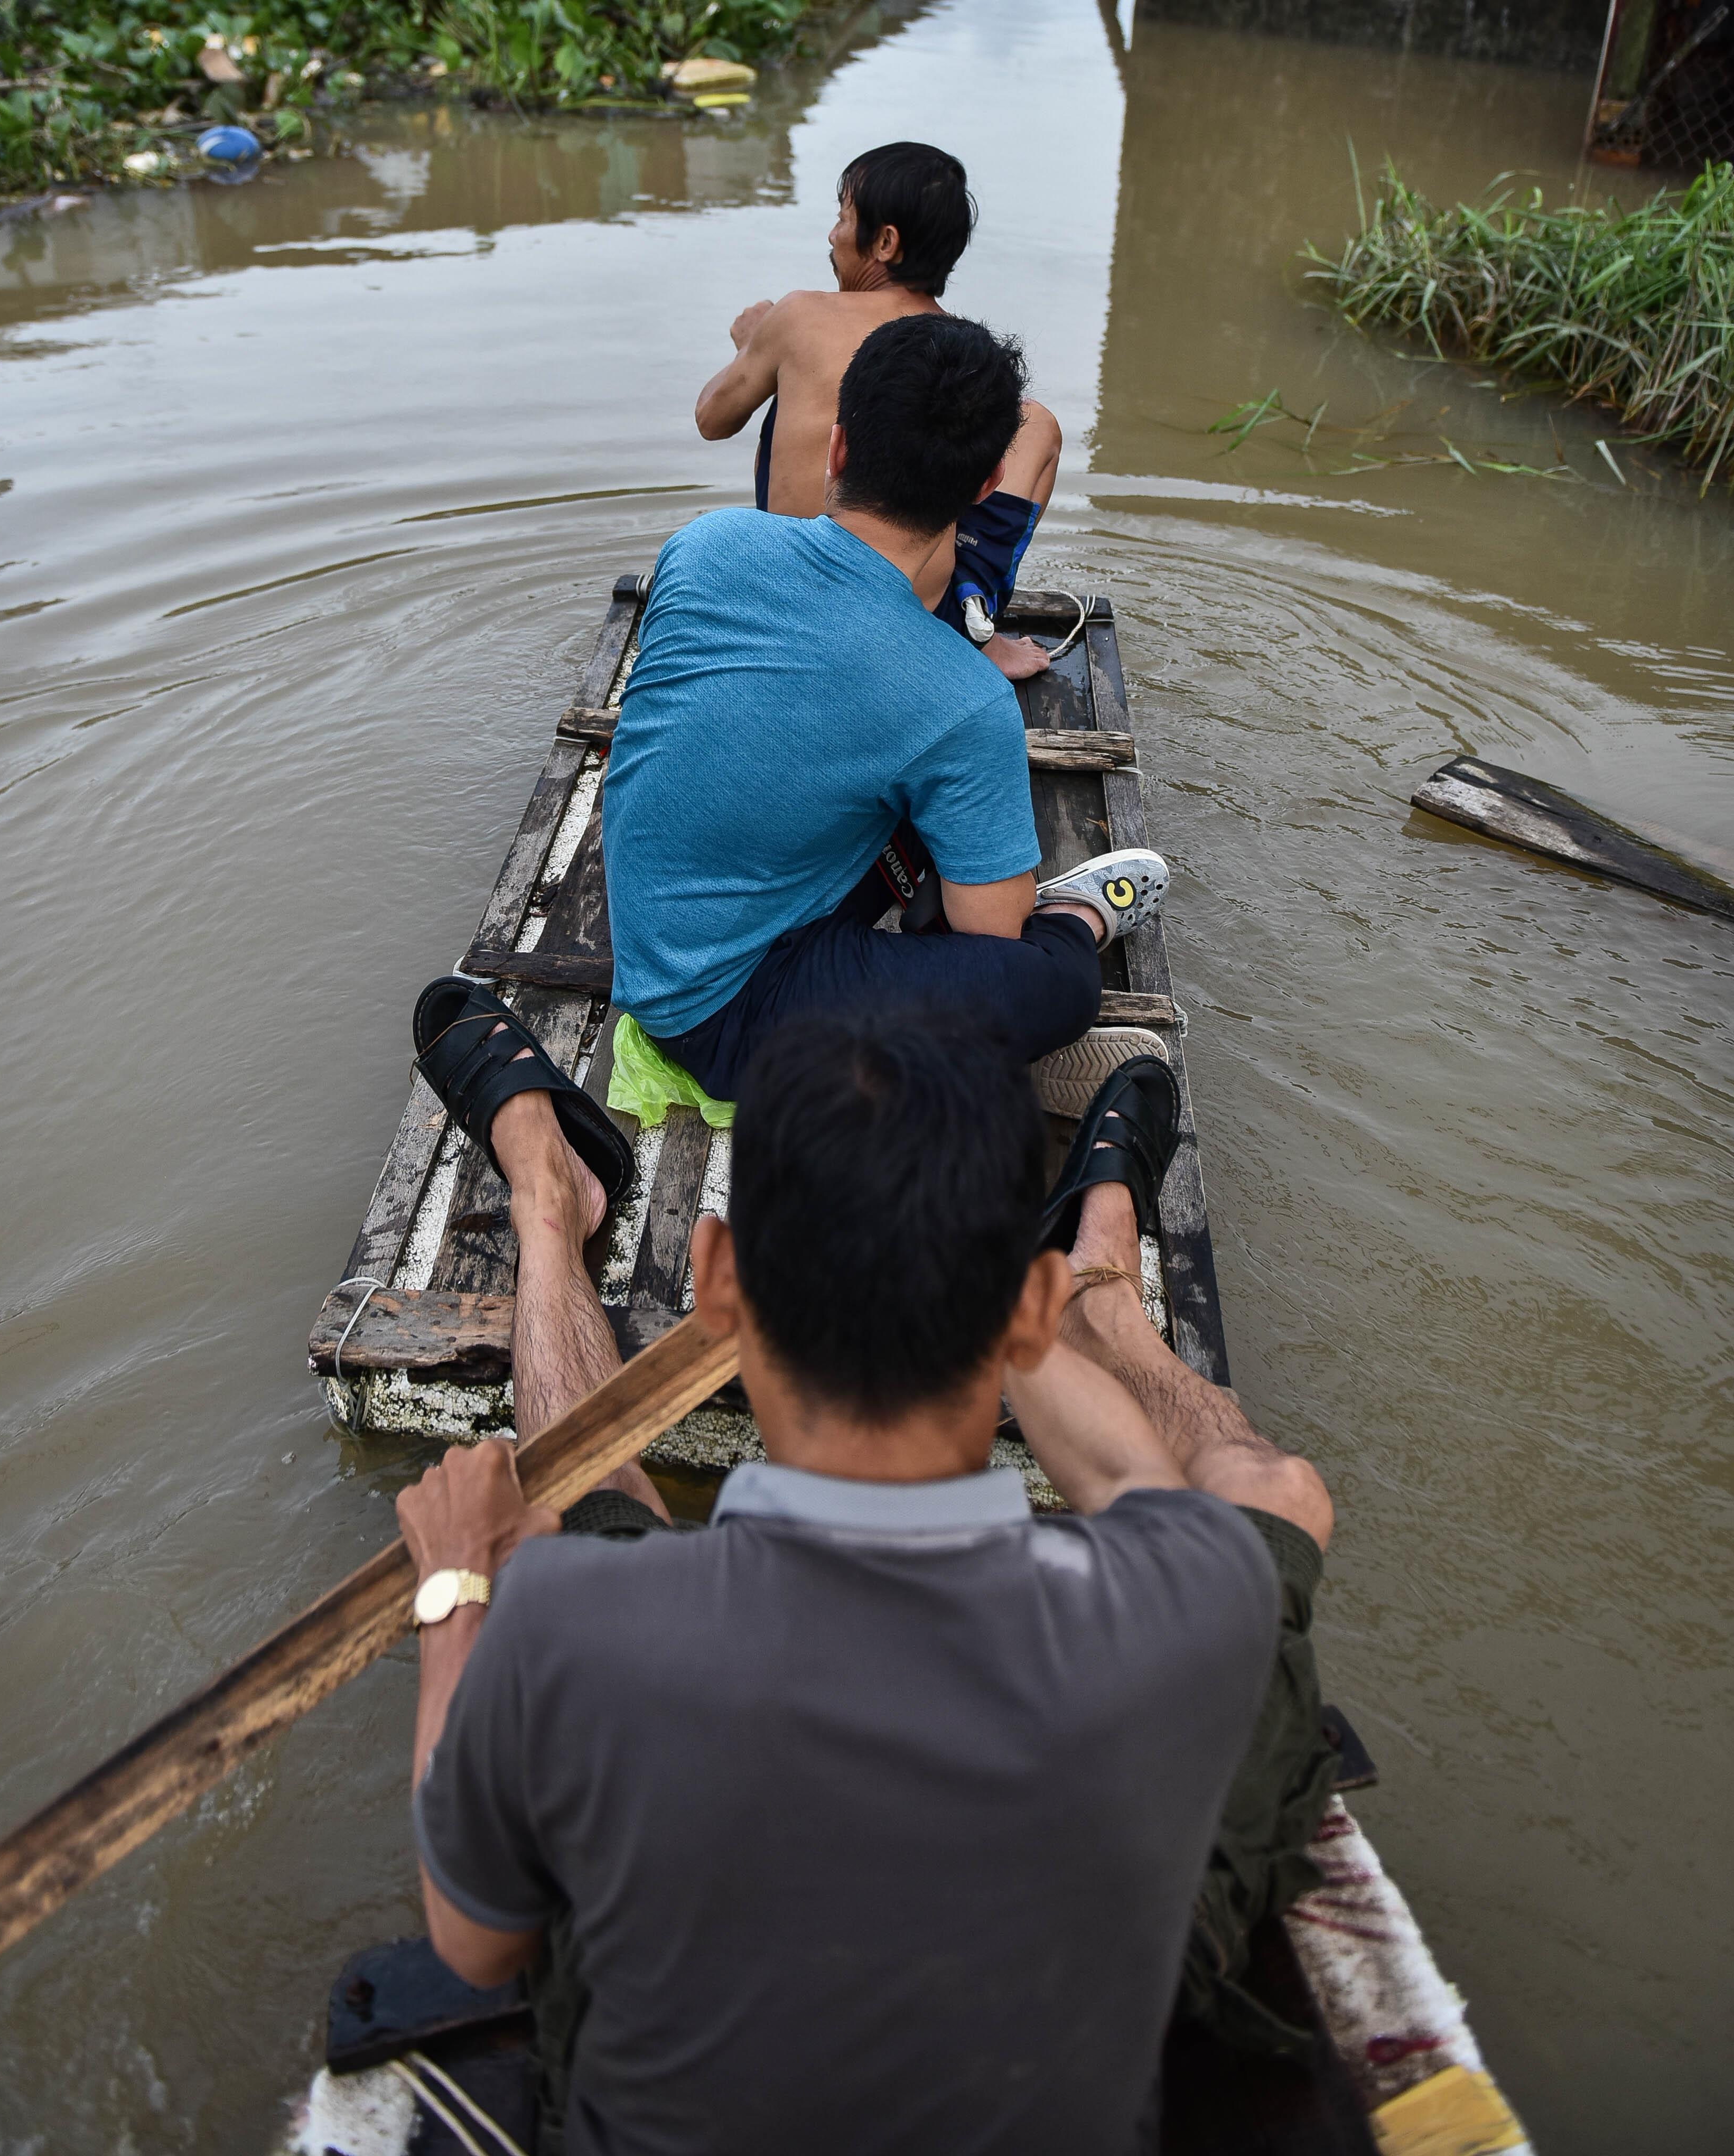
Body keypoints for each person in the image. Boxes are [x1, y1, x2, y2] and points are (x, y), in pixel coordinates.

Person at [397, 1011, 1335, 2156]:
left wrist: (455, 1593)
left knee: (598, 1515)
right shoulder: (1192, 1598)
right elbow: (1141, 1485)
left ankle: (549, 1212)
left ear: (714, 1284)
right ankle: (1102, 1287)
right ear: (1024, 1320)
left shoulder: (563, 1621)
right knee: (1272, 1499)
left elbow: (473, 1942)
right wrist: (1008, 1303)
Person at [602, 309, 1170, 1103]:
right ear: (979, 491)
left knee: (901, 792)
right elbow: (991, 939)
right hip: (718, 1012)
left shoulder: (704, 544)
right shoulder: (963, 697)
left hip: (654, 926)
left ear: (838, 447)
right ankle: (1078, 917)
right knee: (1052, 986)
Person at [693, 140, 1063, 679]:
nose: (832, 234)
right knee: (1035, 426)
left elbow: (711, 419)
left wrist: (752, 349)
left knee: (787, 402)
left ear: (884, 242)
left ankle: (956, 622)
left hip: (793, 599)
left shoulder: (797, 316)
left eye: (843, 216)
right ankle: (971, 624)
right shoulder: (959, 351)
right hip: (909, 616)